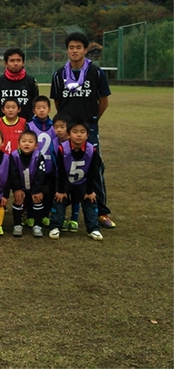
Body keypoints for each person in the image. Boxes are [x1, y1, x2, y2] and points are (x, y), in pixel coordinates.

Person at [50, 32, 115, 229]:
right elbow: (58, 102)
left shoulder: (95, 72)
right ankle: (57, 212)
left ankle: (102, 212)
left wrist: (91, 123)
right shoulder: (59, 73)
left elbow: (103, 101)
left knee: (95, 169)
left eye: (79, 47)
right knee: (61, 167)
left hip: (88, 129)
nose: (75, 51)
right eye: (71, 47)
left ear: (85, 50)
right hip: (66, 131)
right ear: (67, 50)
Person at [48, 119, 104, 241]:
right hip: (65, 179)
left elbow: (92, 172)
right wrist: (61, 190)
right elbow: (61, 171)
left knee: (90, 200)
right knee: (59, 199)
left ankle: (93, 228)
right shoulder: (62, 149)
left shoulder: (91, 150)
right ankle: (55, 226)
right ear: (68, 134)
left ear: (87, 135)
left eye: (82, 132)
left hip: (83, 180)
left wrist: (89, 190)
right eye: (75, 132)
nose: (79, 135)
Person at [10, 130, 46, 238]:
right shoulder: (14, 155)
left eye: (30, 142)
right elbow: (13, 174)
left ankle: (37, 226)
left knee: (37, 199)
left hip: (34, 186)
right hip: (20, 186)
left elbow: (40, 174)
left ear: (36, 145)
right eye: (24, 141)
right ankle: (17, 225)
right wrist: (17, 188)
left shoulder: (39, 156)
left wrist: (36, 190)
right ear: (18, 143)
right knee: (18, 199)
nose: (27, 143)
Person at [26, 96, 56, 226]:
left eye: (44, 107)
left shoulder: (55, 126)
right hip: (34, 166)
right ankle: (30, 214)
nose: (41, 110)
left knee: (48, 192)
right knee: (32, 189)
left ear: (49, 109)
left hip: (50, 166)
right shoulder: (29, 125)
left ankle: (45, 214)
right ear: (33, 110)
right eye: (38, 108)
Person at [0, 47, 39, 121]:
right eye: (12, 61)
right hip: (4, 124)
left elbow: (35, 103)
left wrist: (28, 119)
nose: (15, 63)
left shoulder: (31, 81)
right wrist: (1, 119)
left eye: (18, 60)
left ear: (23, 62)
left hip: (26, 124)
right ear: (6, 63)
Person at [52, 113, 80, 232]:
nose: (59, 130)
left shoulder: (74, 142)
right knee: (61, 197)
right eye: (56, 127)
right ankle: (61, 219)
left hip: (75, 175)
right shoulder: (54, 142)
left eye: (62, 127)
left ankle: (74, 219)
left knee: (76, 196)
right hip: (60, 176)